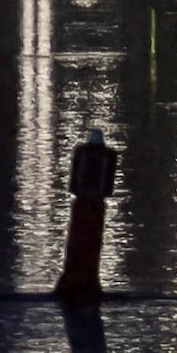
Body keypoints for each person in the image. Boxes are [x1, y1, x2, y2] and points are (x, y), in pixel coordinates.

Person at [57, 127, 120, 300]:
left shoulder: (81, 152)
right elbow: (107, 184)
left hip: (82, 203)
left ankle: (74, 279)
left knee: (78, 241)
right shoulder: (109, 155)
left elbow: (74, 181)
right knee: (91, 242)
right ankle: (87, 280)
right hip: (96, 205)